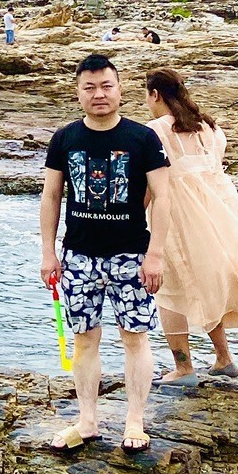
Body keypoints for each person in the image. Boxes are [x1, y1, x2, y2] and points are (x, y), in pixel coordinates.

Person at [40, 54, 171, 452]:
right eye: (89, 87)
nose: (99, 94)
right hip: (78, 255)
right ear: (78, 92)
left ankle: (135, 422)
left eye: (106, 86)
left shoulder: (142, 139)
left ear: (119, 89)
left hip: (131, 254)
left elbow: (164, 198)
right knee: (84, 339)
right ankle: (87, 420)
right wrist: (49, 252)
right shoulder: (65, 138)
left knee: (135, 338)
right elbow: (51, 196)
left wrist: (156, 255)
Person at [141, 68, 238, 383]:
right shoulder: (209, 127)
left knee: (169, 292)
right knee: (207, 286)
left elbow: (151, 186)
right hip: (218, 216)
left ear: (155, 95)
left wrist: (129, 221)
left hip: (177, 221)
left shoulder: (155, 132)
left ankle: (183, 368)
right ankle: (223, 358)